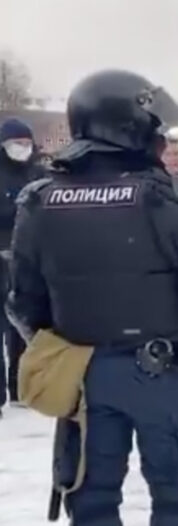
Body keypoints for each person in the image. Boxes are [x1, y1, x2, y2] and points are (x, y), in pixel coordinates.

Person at [7, 69, 178, 526]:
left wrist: (63, 349)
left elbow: (23, 301)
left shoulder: (39, 198)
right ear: (131, 124)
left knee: (92, 501)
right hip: (164, 370)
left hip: (85, 375)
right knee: (175, 494)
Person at [0, 118, 45, 415]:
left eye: (27, 143)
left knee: (24, 323)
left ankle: (21, 385)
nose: (22, 149)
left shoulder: (39, 173)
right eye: (17, 143)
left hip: (27, 258)